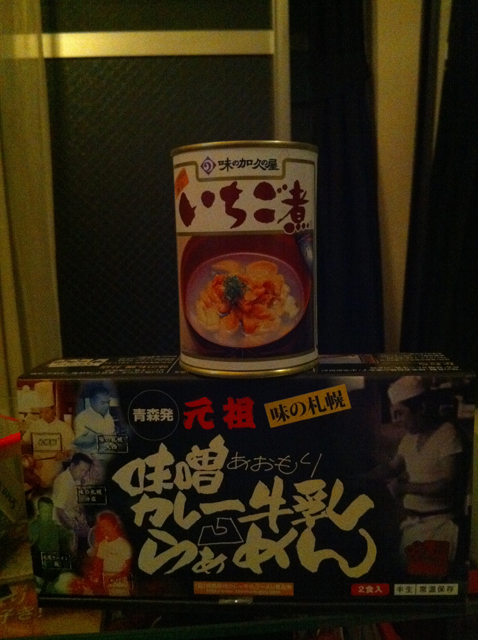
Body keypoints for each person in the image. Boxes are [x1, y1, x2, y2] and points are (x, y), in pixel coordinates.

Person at [366, 376, 463, 571]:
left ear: (421, 408)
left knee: (423, 579)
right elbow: (392, 468)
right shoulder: (409, 439)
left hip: (438, 526)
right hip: (412, 525)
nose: (397, 421)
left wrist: (404, 487)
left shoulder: (447, 434)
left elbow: (447, 483)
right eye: (394, 414)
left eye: (400, 413)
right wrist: (363, 476)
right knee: (407, 577)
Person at [22, 382, 74, 488]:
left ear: (53, 409)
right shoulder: (35, 425)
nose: (43, 416)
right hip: (36, 474)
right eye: (41, 412)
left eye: (47, 412)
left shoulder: (64, 427)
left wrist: (64, 453)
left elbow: (73, 450)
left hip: (57, 473)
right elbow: (24, 442)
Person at [86, 512, 132, 596]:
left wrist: (112, 578)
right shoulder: (102, 544)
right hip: (107, 591)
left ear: (115, 526)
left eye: (106, 526)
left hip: (121, 590)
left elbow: (127, 570)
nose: (104, 529)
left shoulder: (123, 545)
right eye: (102, 526)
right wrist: (94, 577)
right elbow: (98, 564)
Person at [29, 497, 72, 584]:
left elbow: (68, 536)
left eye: (50, 511)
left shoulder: (56, 527)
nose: (48, 514)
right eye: (44, 511)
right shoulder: (34, 527)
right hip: (41, 572)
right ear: (38, 511)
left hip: (57, 569)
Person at [51, 453, 93, 538]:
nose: (83, 474)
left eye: (86, 472)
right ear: (72, 465)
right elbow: (59, 511)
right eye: (81, 470)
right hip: (61, 527)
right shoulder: (64, 481)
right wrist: (75, 529)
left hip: (72, 521)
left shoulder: (75, 479)